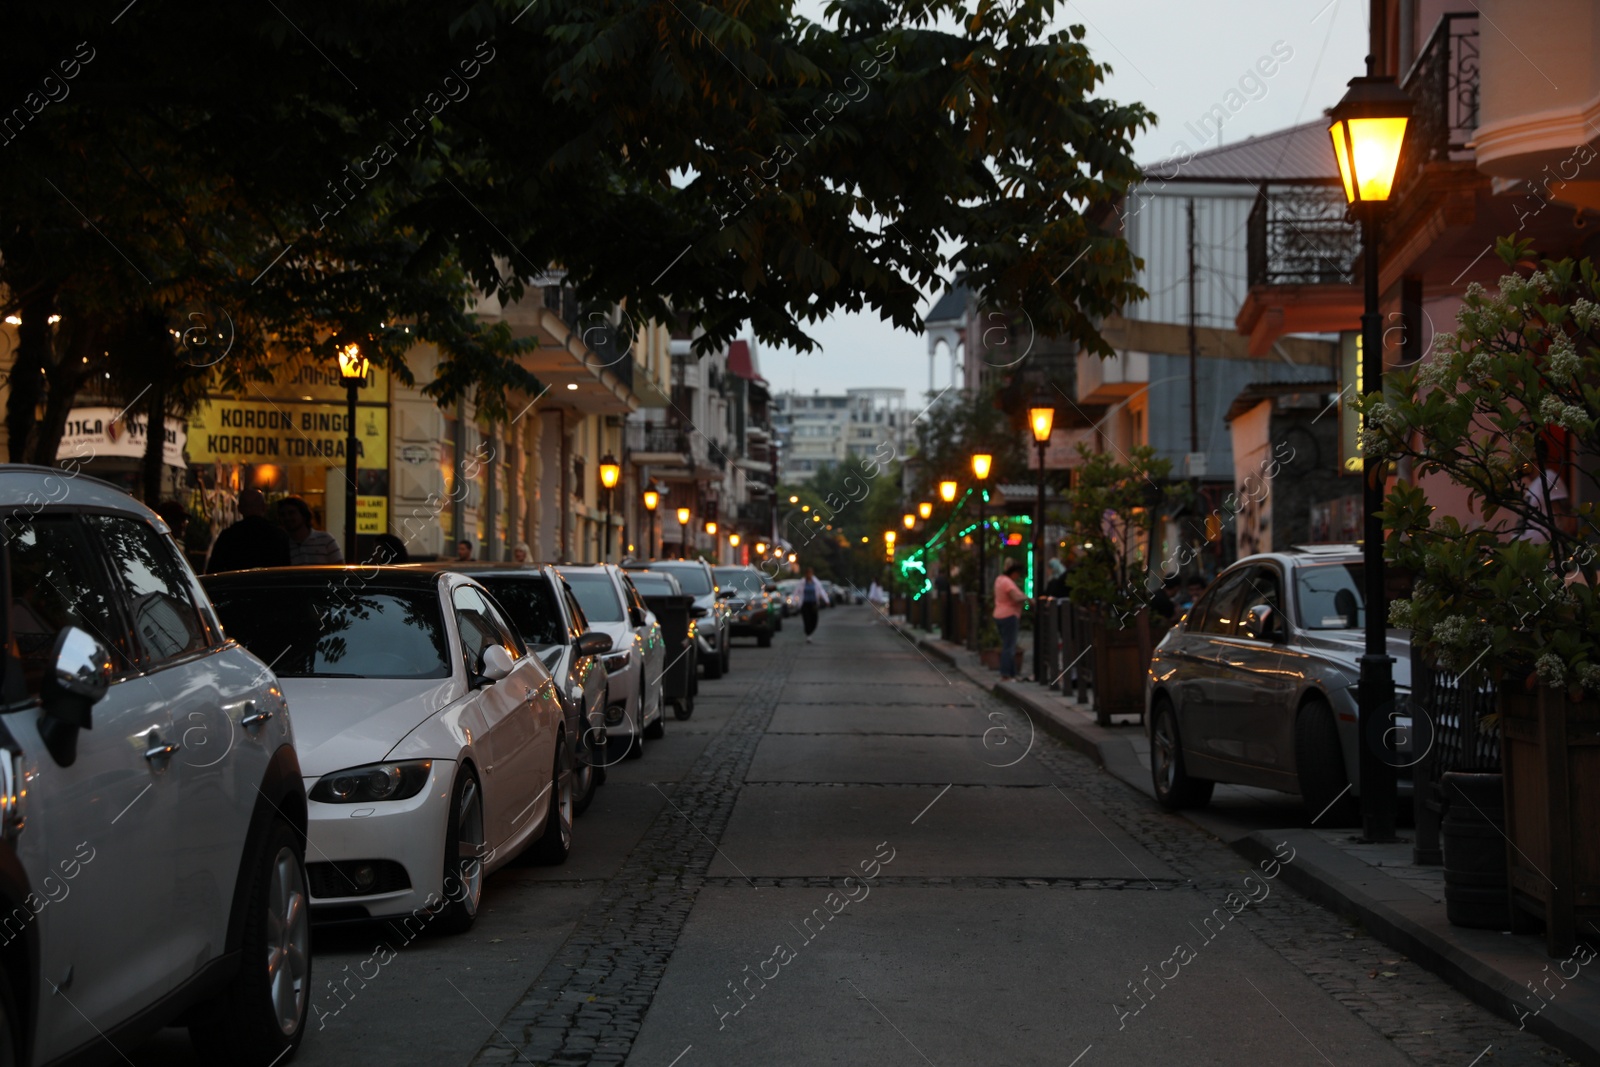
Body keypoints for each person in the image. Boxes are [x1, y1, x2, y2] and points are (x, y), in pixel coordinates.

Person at [206, 489, 291, 573]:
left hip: (236, 584)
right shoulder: (278, 535)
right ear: (264, 507)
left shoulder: (228, 536)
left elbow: (214, 569)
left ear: (239, 508)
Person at [278, 496, 343, 565]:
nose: (287, 518)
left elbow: (340, 569)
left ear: (304, 515)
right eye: (283, 515)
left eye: (291, 513)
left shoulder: (325, 539)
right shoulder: (282, 545)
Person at [993, 560, 1027, 680]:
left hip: (998, 614)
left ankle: (1012, 673)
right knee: (1009, 646)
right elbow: (1015, 597)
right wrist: (1027, 598)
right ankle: (1006, 673)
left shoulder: (999, 579)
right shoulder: (1008, 582)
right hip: (1009, 615)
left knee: (1008, 644)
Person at [799, 566, 831, 643]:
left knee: (814, 620)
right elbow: (796, 592)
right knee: (806, 619)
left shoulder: (816, 582)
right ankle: (808, 634)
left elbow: (821, 591)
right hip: (805, 604)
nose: (809, 575)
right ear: (806, 574)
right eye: (808, 573)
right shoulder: (802, 582)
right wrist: (793, 602)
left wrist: (826, 600)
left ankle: (810, 631)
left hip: (813, 604)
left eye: (810, 573)